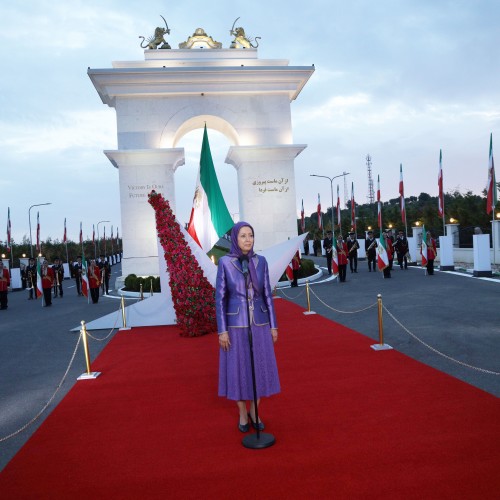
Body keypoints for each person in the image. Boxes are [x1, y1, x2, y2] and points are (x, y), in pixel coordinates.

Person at [216, 222, 280, 433]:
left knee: (259, 368)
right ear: (235, 238)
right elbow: (221, 298)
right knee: (238, 369)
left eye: (250, 235)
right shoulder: (225, 262)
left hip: (259, 324)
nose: (247, 239)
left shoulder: (261, 262)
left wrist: (273, 325)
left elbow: (268, 295)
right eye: (243, 236)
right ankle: (243, 413)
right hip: (235, 325)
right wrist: (222, 330)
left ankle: (255, 411)